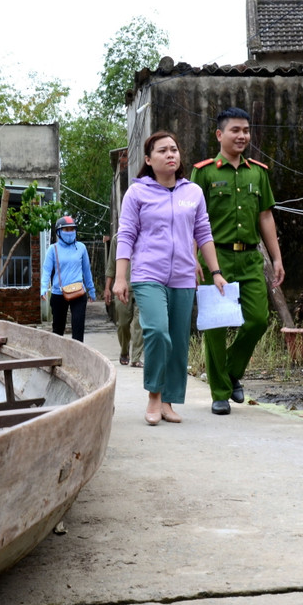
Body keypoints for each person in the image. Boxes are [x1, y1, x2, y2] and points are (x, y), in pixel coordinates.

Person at [114, 130, 226, 426]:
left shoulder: (193, 193)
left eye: (174, 149)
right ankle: (153, 394)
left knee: (177, 341)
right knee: (157, 332)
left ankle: (169, 401)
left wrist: (215, 272)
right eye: (162, 151)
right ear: (149, 160)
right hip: (148, 274)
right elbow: (126, 235)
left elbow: (203, 233)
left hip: (183, 277)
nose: (170, 154)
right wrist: (120, 278)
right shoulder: (137, 192)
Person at [191, 107, 285, 416]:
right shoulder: (204, 172)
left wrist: (276, 257)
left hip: (248, 258)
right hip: (214, 255)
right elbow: (193, 219)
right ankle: (219, 392)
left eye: (246, 130)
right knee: (216, 325)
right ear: (220, 135)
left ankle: (230, 372)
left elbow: (266, 216)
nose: (242, 135)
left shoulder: (257, 172)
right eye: (235, 130)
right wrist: (193, 258)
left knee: (257, 319)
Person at [41, 215, 96, 342]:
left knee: (78, 328)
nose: (70, 232)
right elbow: (46, 270)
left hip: (78, 292)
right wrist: (44, 288)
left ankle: (77, 359)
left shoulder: (81, 247)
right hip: (58, 293)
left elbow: (86, 270)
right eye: (66, 230)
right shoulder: (53, 249)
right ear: (59, 232)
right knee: (58, 330)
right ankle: (57, 356)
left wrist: (91, 290)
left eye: (72, 229)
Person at [103, 233, 144, 367]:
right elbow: (112, 265)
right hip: (123, 287)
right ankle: (124, 350)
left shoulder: (147, 234)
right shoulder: (118, 238)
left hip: (143, 285)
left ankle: (136, 357)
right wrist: (107, 288)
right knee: (123, 324)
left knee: (140, 323)